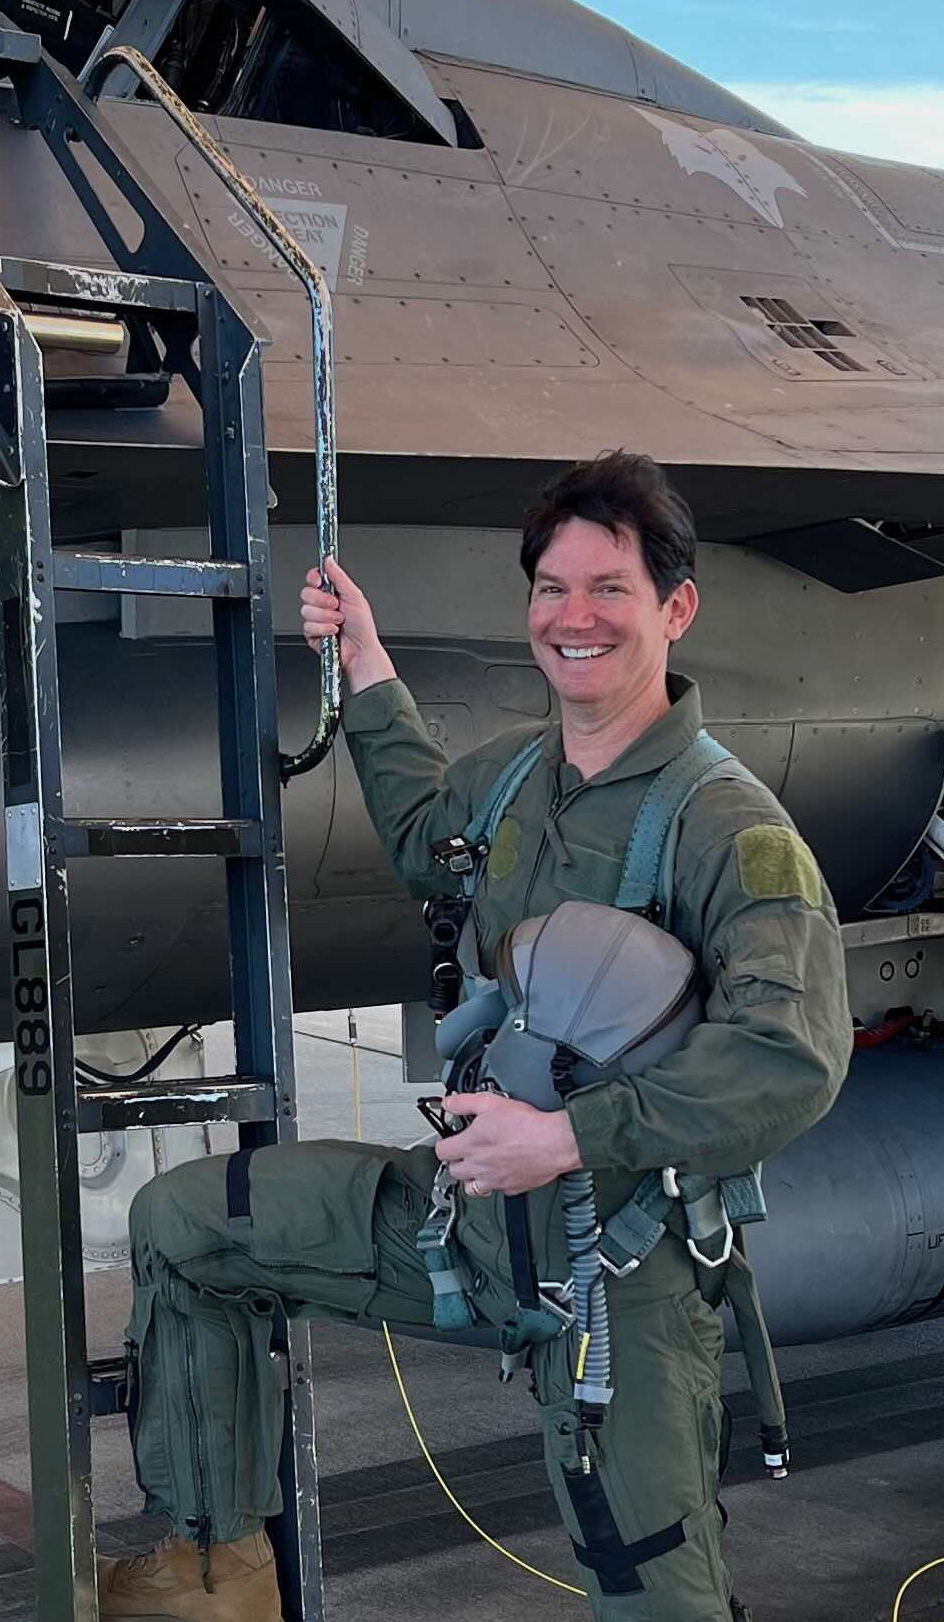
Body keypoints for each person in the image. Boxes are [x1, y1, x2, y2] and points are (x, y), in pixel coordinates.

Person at [102, 451, 852, 1622]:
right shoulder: (510, 783)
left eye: (607, 588)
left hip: (624, 1269)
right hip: (463, 1225)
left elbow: (790, 1059)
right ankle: (213, 1573)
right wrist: (365, 661)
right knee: (189, 1227)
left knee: (653, 1592)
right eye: (550, 589)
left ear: (674, 607)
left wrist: (564, 1141)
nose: (573, 618)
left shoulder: (729, 831)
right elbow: (418, 832)